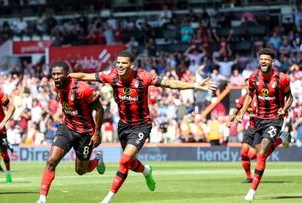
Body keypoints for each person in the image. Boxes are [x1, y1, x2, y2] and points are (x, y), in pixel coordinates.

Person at [70, 50, 217, 203]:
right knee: (131, 163)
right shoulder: (112, 76)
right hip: (123, 125)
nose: (120, 65)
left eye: (123, 63)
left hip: (141, 126)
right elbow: (85, 76)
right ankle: (147, 171)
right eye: (118, 62)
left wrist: (195, 85)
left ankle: (107, 199)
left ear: (131, 65)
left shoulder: (143, 76)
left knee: (124, 160)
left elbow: (170, 83)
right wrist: (67, 76)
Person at [37, 61, 105, 203]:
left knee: (80, 170)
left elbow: (99, 109)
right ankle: (42, 198)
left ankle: (97, 160)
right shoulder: (57, 85)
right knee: (51, 161)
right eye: (54, 74)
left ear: (67, 74)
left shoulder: (83, 89)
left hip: (85, 133)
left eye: (59, 74)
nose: (56, 77)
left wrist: (97, 132)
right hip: (67, 128)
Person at [236, 48, 293, 201]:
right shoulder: (253, 78)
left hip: (274, 119)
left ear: (272, 61)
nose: (263, 61)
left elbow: (290, 97)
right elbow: (249, 95)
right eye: (261, 59)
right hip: (258, 121)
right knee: (255, 154)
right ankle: (282, 138)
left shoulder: (282, 78)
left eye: (267, 59)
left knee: (261, 155)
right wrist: (241, 112)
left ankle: (252, 192)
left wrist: (284, 109)